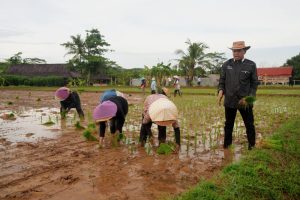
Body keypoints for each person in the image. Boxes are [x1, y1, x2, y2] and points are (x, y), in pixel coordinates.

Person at [217, 41, 258, 150]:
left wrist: (249, 99)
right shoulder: (226, 64)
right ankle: (227, 145)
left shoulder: (251, 65)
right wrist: (221, 90)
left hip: (245, 101)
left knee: (249, 124)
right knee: (228, 125)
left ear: (244, 51)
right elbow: (222, 80)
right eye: (234, 51)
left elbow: (254, 84)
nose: (236, 53)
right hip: (230, 100)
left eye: (239, 51)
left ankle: (252, 145)